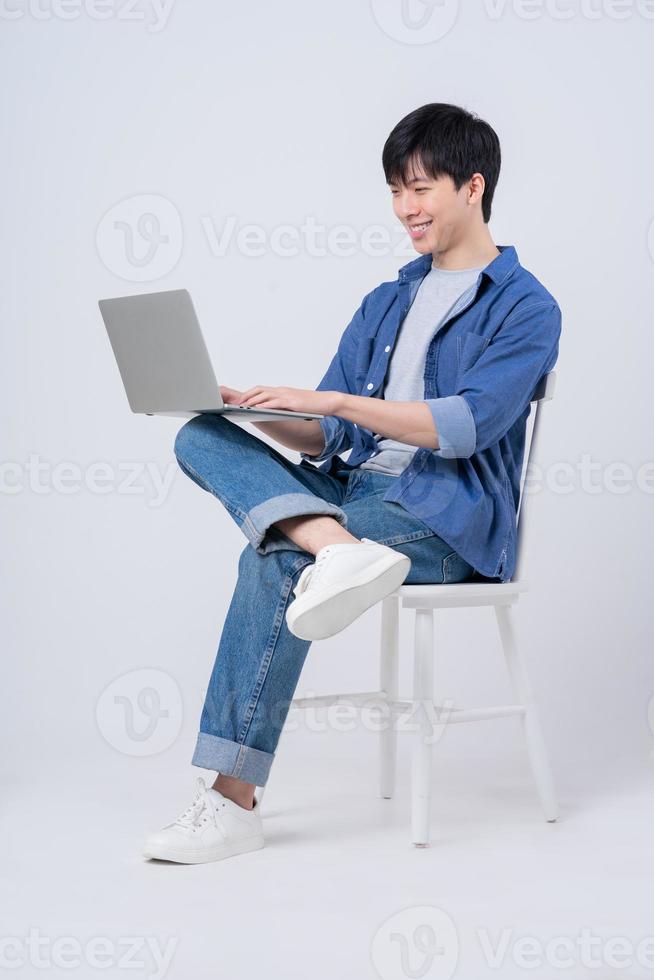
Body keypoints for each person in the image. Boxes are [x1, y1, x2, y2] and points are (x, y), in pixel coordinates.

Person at [143, 102, 562, 864]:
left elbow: (464, 426)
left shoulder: (527, 307)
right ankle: (334, 545)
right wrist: (256, 409)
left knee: (273, 555)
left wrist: (330, 399)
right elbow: (332, 436)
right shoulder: (387, 301)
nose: (405, 208)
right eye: (396, 190)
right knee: (198, 434)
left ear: (473, 187)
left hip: (445, 518)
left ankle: (232, 801)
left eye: (421, 188)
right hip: (353, 498)